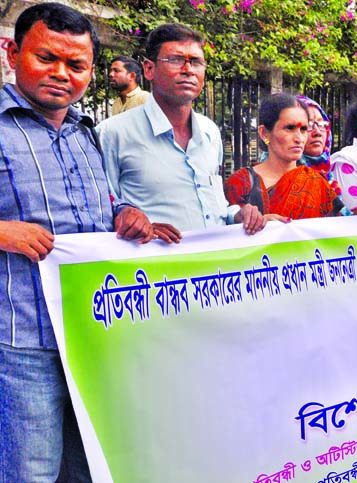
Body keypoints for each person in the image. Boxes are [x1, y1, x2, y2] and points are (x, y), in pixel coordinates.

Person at [0, 4, 155, 481]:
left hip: (94, 334)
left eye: (77, 65)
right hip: (22, 339)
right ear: (12, 52)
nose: (61, 74)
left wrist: (125, 214)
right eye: (46, 58)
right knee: (32, 471)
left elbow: (100, 206)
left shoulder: (85, 133)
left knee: (95, 466)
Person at [99, 24, 265, 240]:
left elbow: (214, 207)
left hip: (214, 269)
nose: (188, 69)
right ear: (149, 69)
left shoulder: (209, 132)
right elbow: (102, 212)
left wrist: (237, 214)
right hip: (152, 270)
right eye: (175, 60)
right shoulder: (113, 134)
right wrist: (134, 224)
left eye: (195, 62)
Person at [224, 93, 337, 220]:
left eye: (304, 129)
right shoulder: (239, 183)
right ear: (264, 133)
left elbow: (339, 231)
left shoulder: (317, 183)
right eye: (289, 128)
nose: (299, 138)